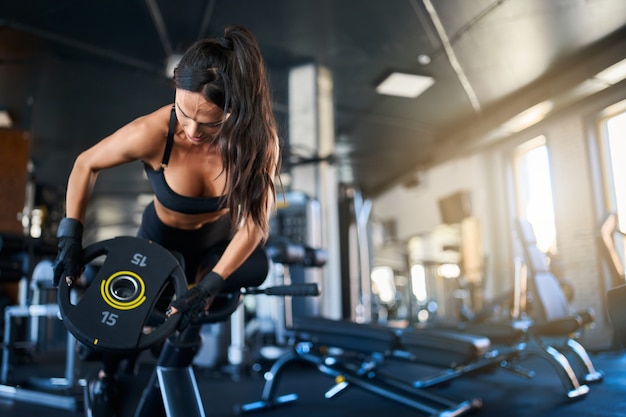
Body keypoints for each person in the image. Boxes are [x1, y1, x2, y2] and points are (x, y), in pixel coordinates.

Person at [52, 24, 281, 417]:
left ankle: (169, 378)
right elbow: (85, 164)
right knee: (113, 324)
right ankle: (107, 379)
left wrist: (211, 283)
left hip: (214, 248)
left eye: (208, 122)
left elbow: (256, 223)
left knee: (223, 295)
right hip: (159, 241)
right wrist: (70, 235)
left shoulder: (257, 143)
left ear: (234, 110)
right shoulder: (155, 131)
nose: (192, 130)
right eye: (184, 112)